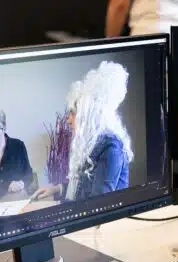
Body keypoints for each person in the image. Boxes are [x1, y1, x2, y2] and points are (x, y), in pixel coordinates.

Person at [31, 61, 133, 202]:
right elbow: (82, 186)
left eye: (72, 113)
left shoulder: (111, 149)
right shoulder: (92, 144)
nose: (68, 120)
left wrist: (57, 208)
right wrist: (57, 188)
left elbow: (96, 204)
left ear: (88, 116)